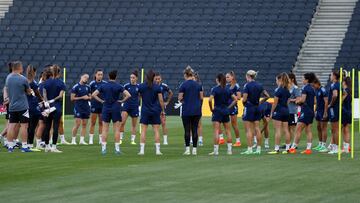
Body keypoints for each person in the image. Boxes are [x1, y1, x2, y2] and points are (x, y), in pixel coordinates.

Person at [92, 70, 130, 155]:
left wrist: (101, 101)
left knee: (105, 129)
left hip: (106, 107)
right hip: (116, 108)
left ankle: (103, 150)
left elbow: (94, 94)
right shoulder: (118, 86)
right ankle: (117, 150)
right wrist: (122, 101)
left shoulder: (103, 85)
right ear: (116, 77)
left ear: (108, 76)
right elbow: (128, 95)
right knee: (116, 130)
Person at [5, 61, 32, 152]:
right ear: (19, 68)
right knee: (24, 126)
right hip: (22, 106)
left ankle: (10, 146)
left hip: (12, 106)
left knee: (11, 126)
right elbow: (28, 92)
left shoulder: (8, 78)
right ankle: (24, 146)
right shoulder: (23, 79)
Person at [241, 70, 270, 155]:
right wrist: (261, 102)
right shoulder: (259, 85)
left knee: (249, 129)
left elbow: (244, 99)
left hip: (249, 107)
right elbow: (267, 96)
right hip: (257, 107)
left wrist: (244, 103)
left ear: (248, 76)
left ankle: (250, 149)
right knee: (257, 128)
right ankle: (258, 149)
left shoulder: (247, 85)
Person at [137, 70, 165, 155]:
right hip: (155, 111)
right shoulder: (157, 87)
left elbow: (139, 96)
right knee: (156, 130)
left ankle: (142, 151)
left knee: (143, 131)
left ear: (146, 77)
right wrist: (163, 110)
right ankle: (158, 151)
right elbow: (161, 100)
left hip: (145, 110)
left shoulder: (141, 86)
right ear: (153, 77)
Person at [208, 73, 237, 155]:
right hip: (225, 111)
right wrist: (228, 107)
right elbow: (235, 99)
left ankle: (216, 151)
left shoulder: (215, 89)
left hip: (217, 110)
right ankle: (229, 150)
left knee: (216, 131)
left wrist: (211, 109)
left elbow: (210, 100)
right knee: (228, 131)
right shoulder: (228, 89)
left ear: (218, 80)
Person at [178, 66, 203, 155]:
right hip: (196, 110)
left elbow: (180, 98)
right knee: (195, 129)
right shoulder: (198, 84)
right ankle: (195, 150)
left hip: (187, 110)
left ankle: (188, 149)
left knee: (187, 130)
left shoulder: (183, 85)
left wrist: (184, 100)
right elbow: (201, 97)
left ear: (185, 75)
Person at [289, 72, 316, 154]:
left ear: (307, 80)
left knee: (298, 129)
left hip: (305, 111)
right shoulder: (312, 88)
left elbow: (303, 100)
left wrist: (298, 101)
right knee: (308, 130)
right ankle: (308, 149)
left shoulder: (305, 88)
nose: (302, 80)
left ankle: (293, 148)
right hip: (311, 111)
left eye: (303, 78)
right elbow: (315, 101)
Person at [42, 65, 66, 153]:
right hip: (57, 107)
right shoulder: (61, 83)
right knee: (55, 127)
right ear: (59, 73)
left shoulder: (46, 82)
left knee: (47, 127)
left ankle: (47, 146)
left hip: (47, 107)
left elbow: (44, 93)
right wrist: (53, 100)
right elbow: (60, 96)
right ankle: (54, 147)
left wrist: (46, 101)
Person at [268, 73, 291, 154]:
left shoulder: (278, 90)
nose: (276, 82)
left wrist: (271, 112)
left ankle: (276, 149)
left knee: (278, 130)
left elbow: (275, 103)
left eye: (277, 81)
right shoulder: (287, 90)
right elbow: (288, 102)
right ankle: (287, 148)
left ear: (280, 80)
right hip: (286, 110)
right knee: (286, 130)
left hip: (279, 111)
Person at [120, 70, 140, 145]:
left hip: (134, 107)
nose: (132, 79)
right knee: (122, 122)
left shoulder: (139, 87)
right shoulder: (126, 86)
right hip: (126, 106)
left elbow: (140, 96)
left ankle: (132, 140)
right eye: (131, 77)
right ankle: (120, 139)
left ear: (136, 78)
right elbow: (123, 94)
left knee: (134, 125)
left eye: (133, 77)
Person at [26, 65, 43, 151]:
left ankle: (26, 144)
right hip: (33, 106)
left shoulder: (25, 81)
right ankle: (30, 145)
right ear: (34, 73)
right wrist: (43, 101)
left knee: (28, 126)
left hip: (26, 105)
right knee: (33, 126)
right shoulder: (33, 83)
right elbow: (38, 94)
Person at [71, 74, 91, 145]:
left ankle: (82, 140)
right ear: (81, 77)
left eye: (87, 78)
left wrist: (88, 97)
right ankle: (73, 140)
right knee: (77, 124)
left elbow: (90, 97)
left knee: (84, 124)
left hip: (86, 108)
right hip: (78, 107)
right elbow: (72, 98)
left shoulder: (88, 87)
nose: (86, 79)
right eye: (85, 77)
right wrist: (82, 97)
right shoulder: (75, 87)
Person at [154, 72, 173, 145]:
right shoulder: (152, 86)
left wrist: (167, 102)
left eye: (159, 79)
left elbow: (171, 93)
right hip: (154, 107)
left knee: (163, 123)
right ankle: (157, 140)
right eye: (156, 79)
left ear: (161, 79)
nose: (157, 80)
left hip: (161, 107)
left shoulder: (164, 86)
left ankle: (165, 140)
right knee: (156, 124)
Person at [89, 69, 106, 145]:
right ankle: (91, 139)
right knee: (93, 122)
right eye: (98, 74)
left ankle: (100, 139)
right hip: (94, 105)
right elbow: (89, 94)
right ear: (95, 75)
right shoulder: (92, 84)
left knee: (101, 123)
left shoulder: (105, 84)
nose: (100, 76)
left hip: (102, 105)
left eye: (101, 74)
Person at [225, 71, 242, 147]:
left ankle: (238, 141)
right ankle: (228, 139)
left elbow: (239, 97)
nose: (226, 78)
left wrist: (232, 96)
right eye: (226, 77)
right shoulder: (226, 86)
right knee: (226, 124)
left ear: (232, 77)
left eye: (228, 77)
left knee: (234, 124)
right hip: (227, 106)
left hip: (233, 106)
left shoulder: (236, 86)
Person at [313, 78, 329, 152]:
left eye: (314, 85)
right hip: (318, 111)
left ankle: (324, 145)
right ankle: (320, 144)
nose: (313, 87)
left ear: (317, 83)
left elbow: (326, 101)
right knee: (318, 127)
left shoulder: (323, 90)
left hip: (323, 111)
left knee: (323, 128)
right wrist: (315, 110)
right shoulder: (316, 90)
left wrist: (325, 112)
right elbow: (317, 101)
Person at [327, 70, 340, 154]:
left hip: (334, 109)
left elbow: (335, 95)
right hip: (336, 108)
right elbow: (344, 93)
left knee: (334, 129)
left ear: (335, 76)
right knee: (334, 129)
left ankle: (335, 148)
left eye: (331, 75)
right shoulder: (338, 84)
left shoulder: (335, 85)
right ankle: (335, 146)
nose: (330, 76)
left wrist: (330, 104)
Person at [287, 72, 301, 146]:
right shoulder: (287, 87)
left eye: (288, 78)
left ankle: (294, 144)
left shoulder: (295, 88)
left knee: (293, 128)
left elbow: (298, 99)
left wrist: (291, 100)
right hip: (287, 110)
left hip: (292, 110)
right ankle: (288, 143)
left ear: (292, 79)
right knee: (287, 128)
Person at [341, 76, 352, 154]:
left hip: (344, 111)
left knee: (343, 129)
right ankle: (347, 147)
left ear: (344, 82)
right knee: (346, 129)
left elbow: (341, 101)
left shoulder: (345, 91)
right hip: (348, 111)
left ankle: (345, 147)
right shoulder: (350, 90)